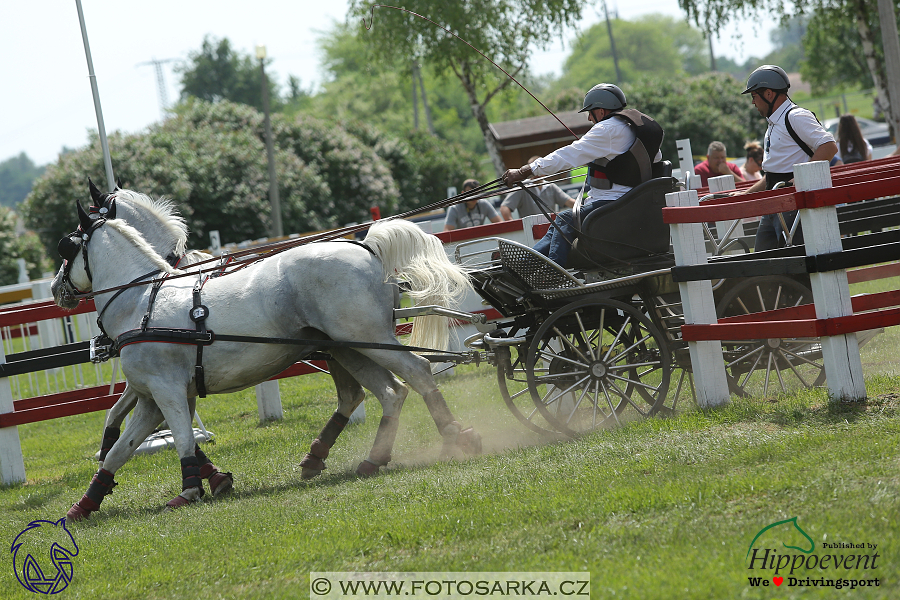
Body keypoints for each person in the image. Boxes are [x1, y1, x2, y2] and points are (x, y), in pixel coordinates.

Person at [502, 83, 663, 266]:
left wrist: (524, 171)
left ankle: (550, 271)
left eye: (590, 112)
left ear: (601, 111)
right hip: (632, 202)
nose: (588, 118)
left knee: (565, 218)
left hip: (614, 204)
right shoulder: (634, 127)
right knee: (560, 224)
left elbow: (566, 155)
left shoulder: (606, 130)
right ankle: (522, 264)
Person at [732, 65, 837, 251]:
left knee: (795, 264)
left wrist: (802, 177)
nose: (753, 102)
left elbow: (829, 146)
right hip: (774, 204)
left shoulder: (795, 116)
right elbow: (773, 174)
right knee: (763, 263)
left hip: (792, 204)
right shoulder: (774, 123)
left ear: (769, 94)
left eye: (754, 96)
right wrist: (746, 195)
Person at [499, 155, 575, 220]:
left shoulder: (551, 187)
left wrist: (584, 209)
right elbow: (504, 207)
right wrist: (514, 226)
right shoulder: (522, 188)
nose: (536, 173)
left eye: (539, 169)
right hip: (531, 233)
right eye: (533, 170)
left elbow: (569, 202)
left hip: (551, 229)